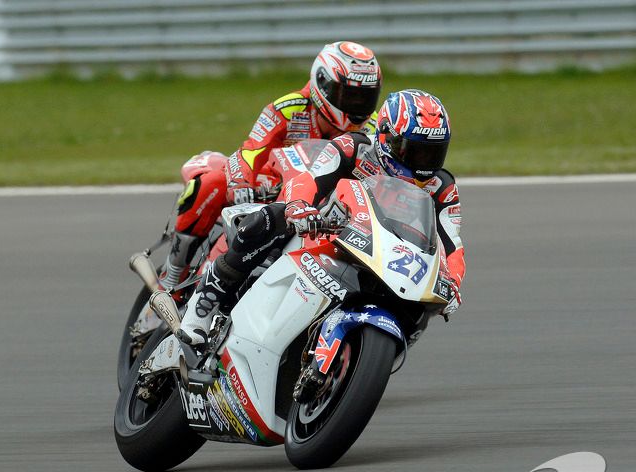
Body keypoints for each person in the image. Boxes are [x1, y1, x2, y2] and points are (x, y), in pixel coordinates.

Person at [178, 89, 466, 346]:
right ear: (385, 138)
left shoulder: (441, 186)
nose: (420, 164)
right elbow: (309, 178)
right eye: (411, 151)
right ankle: (207, 297)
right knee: (272, 218)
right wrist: (300, 206)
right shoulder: (354, 147)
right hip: (321, 229)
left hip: (380, 253)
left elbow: (452, 245)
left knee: (425, 300)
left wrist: (452, 282)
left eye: (431, 154)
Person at [157, 41, 382, 293]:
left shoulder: (374, 129)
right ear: (323, 85)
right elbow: (250, 151)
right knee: (212, 183)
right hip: (269, 189)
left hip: (323, 211)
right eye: (349, 95)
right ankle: (173, 275)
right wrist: (240, 184)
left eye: (366, 97)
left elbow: (383, 181)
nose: (358, 106)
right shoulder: (288, 108)